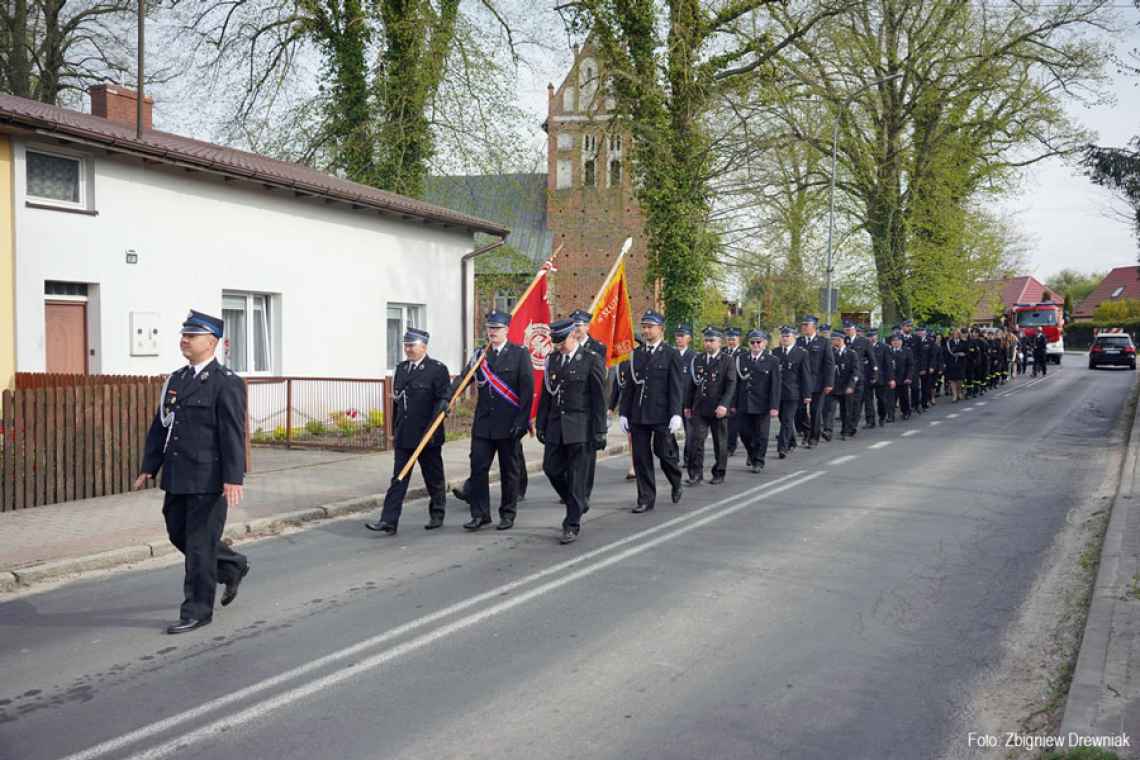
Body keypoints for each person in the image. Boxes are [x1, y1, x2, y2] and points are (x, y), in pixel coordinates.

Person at [136, 310, 249, 635]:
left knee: (199, 546)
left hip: (209, 479)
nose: (184, 340)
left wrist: (233, 477)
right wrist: (149, 465)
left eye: (192, 335)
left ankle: (197, 610)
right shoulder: (177, 379)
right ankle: (231, 565)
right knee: (177, 534)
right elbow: (161, 426)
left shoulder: (225, 382)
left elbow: (231, 433)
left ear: (211, 342)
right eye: (183, 335)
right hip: (177, 475)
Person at [365, 328, 451, 536]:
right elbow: (398, 402)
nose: (408, 349)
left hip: (427, 435)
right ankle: (389, 521)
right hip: (405, 435)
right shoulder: (402, 369)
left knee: (433, 477)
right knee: (399, 479)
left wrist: (443, 408)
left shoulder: (437, 369)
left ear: (424, 346)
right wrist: (395, 429)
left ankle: (437, 513)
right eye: (406, 345)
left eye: (412, 345)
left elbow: (444, 399)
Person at [460, 310, 534, 531]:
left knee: (509, 471)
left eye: (497, 328)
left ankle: (507, 513)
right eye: (490, 328)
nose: (493, 332)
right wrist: (446, 399)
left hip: (509, 423)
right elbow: (464, 379)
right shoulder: (480, 355)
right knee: (478, 468)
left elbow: (527, 390)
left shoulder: (519, 353)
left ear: (506, 330)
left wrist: (522, 422)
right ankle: (480, 514)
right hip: (484, 424)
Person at [536, 319, 607, 545]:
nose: (559, 346)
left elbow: (599, 399)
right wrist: (540, 424)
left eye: (562, 341)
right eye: (555, 342)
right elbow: (547, 394)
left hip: (580, 426)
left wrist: (599, 431)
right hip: (556, 425)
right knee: (551, 468)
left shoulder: (591, 360)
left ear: (573, 336)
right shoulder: (552, 360)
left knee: (577, 476)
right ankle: (575, 502)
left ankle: (571, 523)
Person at [619, 310, 685, 513]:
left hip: (661, 413)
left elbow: (676, 386)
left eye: (650, 327)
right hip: (639, 413)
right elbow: (630, 386)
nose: (646, 331)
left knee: (664, 453)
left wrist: (676, 413)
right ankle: (646, 498)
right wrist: (623, 412)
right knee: (641, 457)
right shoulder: (636, 355)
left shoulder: (671, 354)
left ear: (661, 329)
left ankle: (675, 479)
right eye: (644, 327)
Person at [684, 327, 736, 485]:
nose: (708, 343)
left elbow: (731, 384)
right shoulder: (698, 359)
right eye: (706, 340)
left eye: (711, 340)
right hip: (700, 407)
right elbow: (692, 385)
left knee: (719, 442)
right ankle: (695, 474)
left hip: (718, 408)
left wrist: (724, 405)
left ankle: (719, 472)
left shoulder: (727, 360)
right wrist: (687, 405)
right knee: (695, 441)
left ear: (719, 342)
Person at [571, 309, 608, 506]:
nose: (576, 329)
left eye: (579, 325)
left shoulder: (597, 349)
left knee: (587, 457)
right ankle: (572, 491)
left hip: (589, 406)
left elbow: (599, 381)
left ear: (587, 326)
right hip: (571, 410)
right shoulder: (567, 347)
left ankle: (584, 492)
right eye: (574, 325)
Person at [734, 329, 781, 472]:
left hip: (763, 404)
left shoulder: (772, 360)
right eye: (752, 342)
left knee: (762, 434)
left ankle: (758, 461)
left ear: (764, 344)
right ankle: (751, 453)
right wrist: (733, 403)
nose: (755, 345)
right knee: (744, 433)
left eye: (758, 342)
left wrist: (774, 406)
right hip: (744, 402)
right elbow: (735, 383)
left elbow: (775, 385)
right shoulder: (740, 358)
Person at [796, 315, 833, 448]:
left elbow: (829, 363)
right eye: (803, 325)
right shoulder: (798, 341)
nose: (804, 327)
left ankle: (814, 437)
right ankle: (806, 430)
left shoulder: (823, 342)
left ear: (814, 327)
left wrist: (829, 383)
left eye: (807, 325)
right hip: (800, 383)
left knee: (815, 411)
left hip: (818, 382)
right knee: (799, 411)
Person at [772, 326, 810, 458]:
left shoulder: (801, 353)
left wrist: (807, 394)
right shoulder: (775, 352)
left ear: (794, 337)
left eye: (788, 336)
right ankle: (792, 440)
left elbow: (805, 375)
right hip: (777, 393)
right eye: (783, 336)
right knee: (783, 419)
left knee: (787, 419)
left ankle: (782, 447)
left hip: (793, 393)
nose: (785, 338)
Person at [845, 322, 878, 428]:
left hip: (862, 375)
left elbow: (872, 359)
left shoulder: (864, 341)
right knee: (851, 402)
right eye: (846, 329)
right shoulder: (843, 340)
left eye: (849, 329)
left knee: (866, 399)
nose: (848, 331)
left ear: (854, 329)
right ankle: (851, 423)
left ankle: (870, 420)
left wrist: (875, 374)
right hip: (846, 376)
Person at [830, 332, 862, 439]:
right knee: (832, 409)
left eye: (833, 339)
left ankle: (847, 430)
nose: (832, 341)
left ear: (840, 340)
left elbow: (856, 371)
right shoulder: (832, 353)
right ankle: (832, 429)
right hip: (835, 386)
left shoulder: (851, 353)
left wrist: (851, 386)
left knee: (847, 409)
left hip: (848, 386)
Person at [674, 323, 696, 473]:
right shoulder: (671, 354)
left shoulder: (694, 357)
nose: (679, 339)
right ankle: (673, 458)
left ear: (689, 338)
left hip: (689, 400)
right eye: (677, 336)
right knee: (669, 432)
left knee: (690, 432)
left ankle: (689, 459)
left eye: (682, 336)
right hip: (673, 400)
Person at [724, 327, 743, 456]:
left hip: (737, 392)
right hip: (723, 391)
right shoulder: (723, 352)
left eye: (733, 339)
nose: (731, 341)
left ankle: (731, 446)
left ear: (739, 339)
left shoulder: (743, 354)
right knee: (725, 422)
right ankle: (727, 445)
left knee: (734, 422)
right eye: (729, 339)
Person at [890, 331, 914, 420]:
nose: (896, 342)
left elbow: (910, 365)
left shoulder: (907, 351)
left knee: (903, 397)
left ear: (901, 341)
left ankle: (906, 412)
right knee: (891, 398)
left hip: (903, 378)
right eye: (894, 341)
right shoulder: (888, 351)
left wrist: (909, 377)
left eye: (898, 340)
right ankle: (890, 414)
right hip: (891, 378)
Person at [943, 328, 967, 402]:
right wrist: (945, 363)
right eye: (954, 334)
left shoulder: (963, 342)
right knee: (952, 379)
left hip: (961, 363)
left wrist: (964, 354)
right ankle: (954, 395)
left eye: (957, 334)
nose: (956, 335)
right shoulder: (949, 343)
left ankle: (959, 391)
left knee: (959, 379)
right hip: (951, 363)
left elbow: (967, 351)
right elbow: (946, 353)